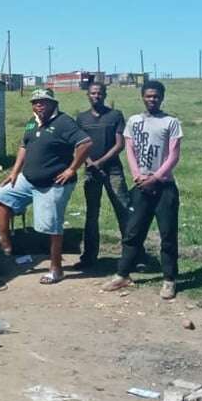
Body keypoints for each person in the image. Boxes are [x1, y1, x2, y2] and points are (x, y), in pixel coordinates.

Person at [0, 88, 91, 284]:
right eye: (35, 102)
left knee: (51, 226)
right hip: (28, 179)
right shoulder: (32, 121)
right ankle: (5, 245)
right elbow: (23, 146)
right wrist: (14, 172)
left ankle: (56, 268)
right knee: (1, 195)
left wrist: (72, 169)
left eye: (43, 102)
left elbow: (85, 143)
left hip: (53, 183)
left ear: (54, 103)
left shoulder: (64, 122)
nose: (39, 105)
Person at [103, 80, 183, 300]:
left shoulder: (171, 122)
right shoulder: (134, 121)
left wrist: (156, 177)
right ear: (142, 97)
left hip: (164, 186)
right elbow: (129, 149)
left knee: (167, 234)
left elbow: (174, 154)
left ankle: (169, 279)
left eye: (156, 96)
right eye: (148, 96)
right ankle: (123, 274)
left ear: (162, 98)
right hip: (140, 185)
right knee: (132, 232)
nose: (152, 100)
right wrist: (137, 175)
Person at [74, 82, 132, 270]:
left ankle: (133, 255)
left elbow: (119, 144)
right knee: (92, 214)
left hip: (113, 170)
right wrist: (89, 162)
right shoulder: (81, 118)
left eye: (100, 93)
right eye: (93, 93)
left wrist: (101, 162)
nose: (96, 96)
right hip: (91, 171)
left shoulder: (115, 115)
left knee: (123, 211)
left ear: (105, 94)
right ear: (87, 95)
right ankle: (89, 257)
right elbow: (79, 144)